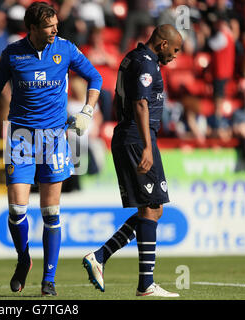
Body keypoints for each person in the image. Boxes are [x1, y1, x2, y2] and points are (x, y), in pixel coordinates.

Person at [0, 1, 102, 296]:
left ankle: (49, 280)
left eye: (56, 24)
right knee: (17, 209)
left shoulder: (66, 49)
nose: (55, 29)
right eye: (49, 26)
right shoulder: (12, 54)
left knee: (50, 212)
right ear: (32, 28)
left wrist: (87, 111)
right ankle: (24, 258)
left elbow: (95, 77)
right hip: (20, 136)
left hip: (55, 137)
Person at [82, 24, 183, 297]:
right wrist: (148, 147)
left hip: (131, 136)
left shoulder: (132, 57)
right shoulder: (146, 64)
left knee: (151, 208)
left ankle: (102, 258)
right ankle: (144, 283)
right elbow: (140, 103)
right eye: (174, 50)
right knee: (152, 208)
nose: (175, 56)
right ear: (162, 44)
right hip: (137, 138)